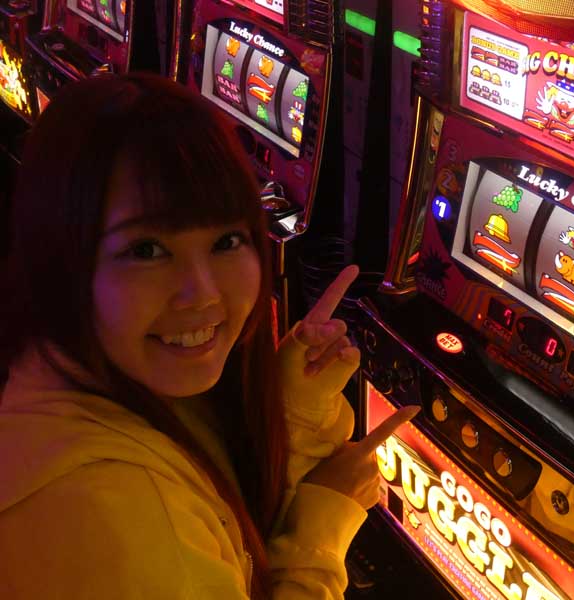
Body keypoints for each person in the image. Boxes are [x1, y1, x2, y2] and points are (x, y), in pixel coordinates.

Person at [0, 72, 417, 599]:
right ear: (62, 259)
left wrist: (288, 404)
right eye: (147, 250)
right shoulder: (117, 513)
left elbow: (219, 515)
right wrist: (324, 525)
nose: (201, 295)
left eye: (226, 241)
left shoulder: (85, 371)